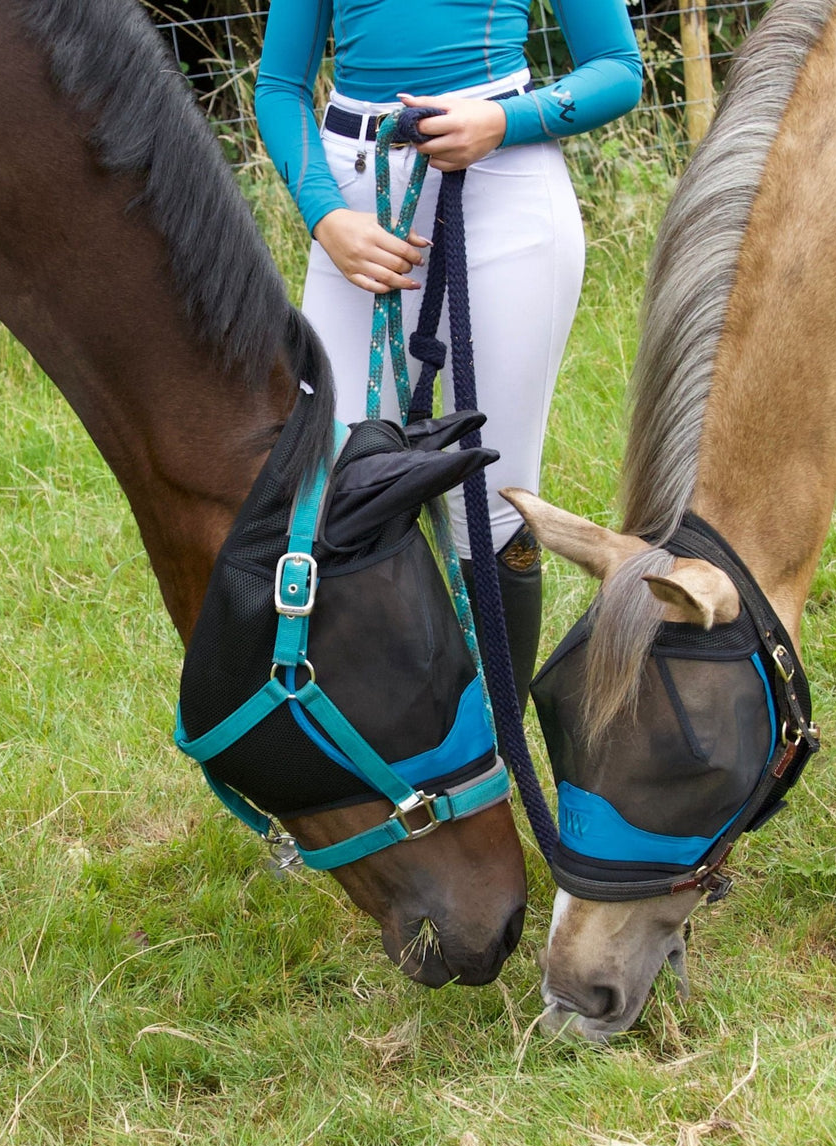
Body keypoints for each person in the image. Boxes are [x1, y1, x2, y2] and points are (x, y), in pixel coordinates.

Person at [255, 0, 642, 712]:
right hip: (353, 201)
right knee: (335, 490)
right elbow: (279, 85)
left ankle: (489, 764)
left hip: (503, 191)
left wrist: (507, 121)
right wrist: (326, 216)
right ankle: (363, 760)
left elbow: (618, 69)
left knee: (488, 501)